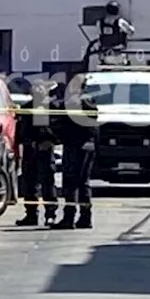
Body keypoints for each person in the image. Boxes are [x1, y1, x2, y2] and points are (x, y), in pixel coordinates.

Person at [14, 80, 59, 227]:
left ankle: (50, 214)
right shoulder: (26, 109)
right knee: (29, 185)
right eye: (36, 90)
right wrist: (28, 143)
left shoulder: (53, 108)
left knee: (48, 184)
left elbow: (59, 129)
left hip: (46, 152)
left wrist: (51, 141)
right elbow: (20, 132)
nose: (38, 92)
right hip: (30, 152)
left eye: (41, 90)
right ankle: (31, 214)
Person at [51, 91, 98, 230]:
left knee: (71, 182)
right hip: (87, 144)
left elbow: (62, 123)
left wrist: (57, 137)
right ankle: (85, 217)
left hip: (75, 145)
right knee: (83, 182)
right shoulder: (90, 100)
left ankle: (69, 218)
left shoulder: (72, 102)